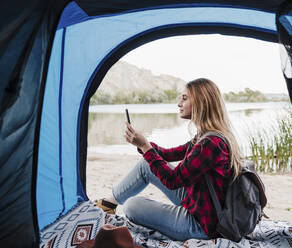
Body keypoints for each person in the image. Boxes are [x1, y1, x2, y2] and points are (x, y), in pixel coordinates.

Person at [95, 78, 243, 240]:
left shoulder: (210, 144)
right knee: (147, 164)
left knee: (131, 206)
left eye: (184, 98)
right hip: (197, 203)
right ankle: (108, 204)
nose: (179, 103)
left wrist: (146, 147)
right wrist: (142, 143)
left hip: (202, 224)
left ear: (201, 103)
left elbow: (173, 180)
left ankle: (111, 204)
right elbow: (167, 154)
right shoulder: (205, 136)